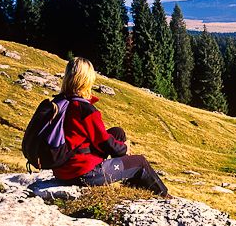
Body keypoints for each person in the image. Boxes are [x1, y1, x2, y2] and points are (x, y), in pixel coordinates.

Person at [52, 57, 169, 197]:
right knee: (140, 162)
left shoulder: (59, 103)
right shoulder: (84, 109)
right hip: (83, 173)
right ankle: (164, 196)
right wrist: (124, 147)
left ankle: (130, 183)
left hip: (62, 169)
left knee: (117, 133)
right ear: (86, 80)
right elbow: (104, 142)